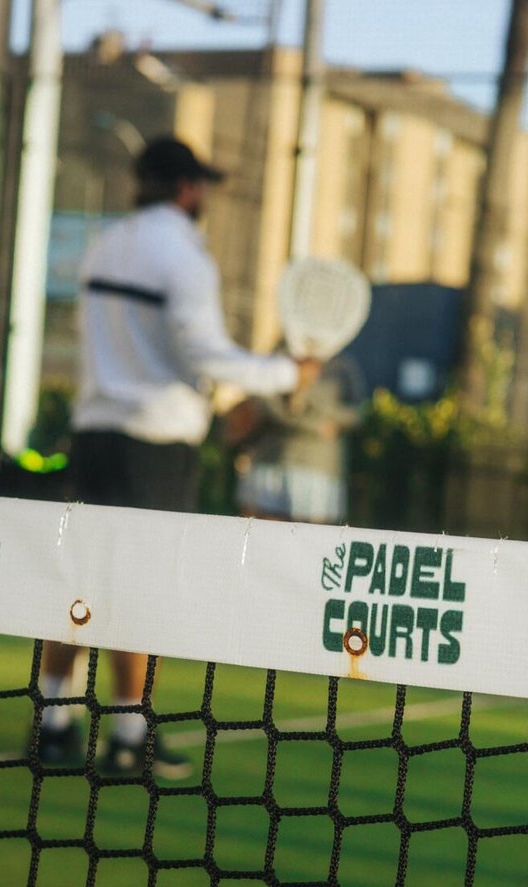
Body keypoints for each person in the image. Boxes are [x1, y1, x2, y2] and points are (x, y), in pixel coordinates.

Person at [37, 135, 320, 777]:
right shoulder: (185, 256)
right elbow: (206, 355)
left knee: (79, 582)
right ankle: (127, 735)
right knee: (141, 590)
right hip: (156, 447)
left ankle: (53, 724)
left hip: (93, 436)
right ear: (188, 189)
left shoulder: (105, 246)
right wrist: (287, 373)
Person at [231, 352, 365, 523]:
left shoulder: (342, 367)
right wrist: (315, 425)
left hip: (319, 467)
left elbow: (356, 413)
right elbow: (267, 403)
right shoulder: (280, 356)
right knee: (265, 526)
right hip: (275, 460)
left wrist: (309, 403)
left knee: (311, 532)